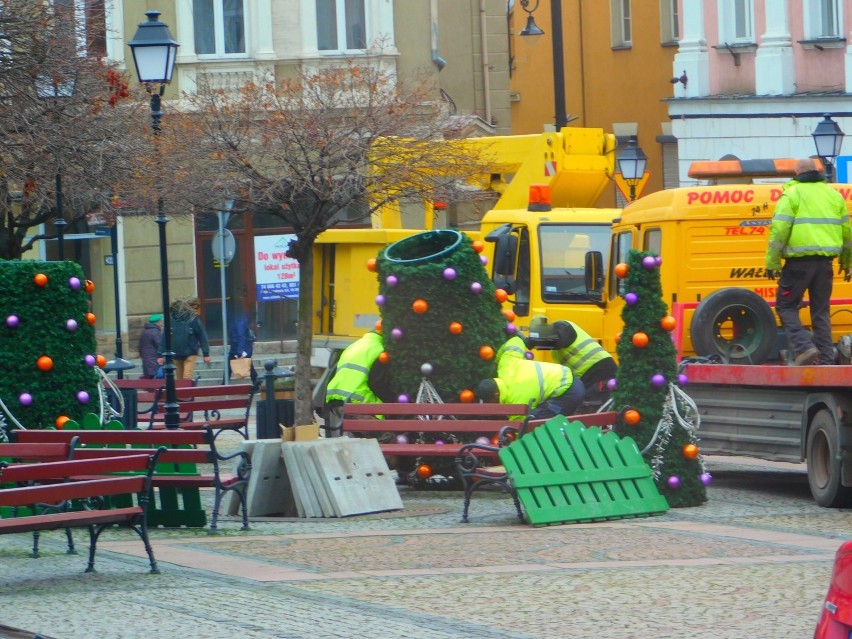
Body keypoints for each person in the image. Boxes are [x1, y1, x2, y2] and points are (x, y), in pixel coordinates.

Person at [766, 158, 852, 366]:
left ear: (797, 173)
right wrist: (847, 262)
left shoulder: (792, 194)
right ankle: (826, 359)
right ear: (817, 172)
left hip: (799, 264)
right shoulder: (833, 195)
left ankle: (804, 348)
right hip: (825, 264)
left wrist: (773, 261)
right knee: (820, 311)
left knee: (786, 305)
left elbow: (780, 230)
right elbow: (847, 232)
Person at [476, 350, 585, 421]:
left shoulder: (516, 402)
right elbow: (514, 344)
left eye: (490, 401)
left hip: (569, 393)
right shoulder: (505, 365)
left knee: (535, 419)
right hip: (569, 378)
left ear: (496, 395)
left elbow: (521, 430)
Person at [325, 331, 386, 432]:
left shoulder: (354, 346)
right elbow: (377, 383)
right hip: (356, 402)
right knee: (386, 438)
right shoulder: (379, 350)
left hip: (336, 399)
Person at [550, 320, 617, 409]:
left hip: (597, 369)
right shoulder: (554, 351)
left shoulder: (562, 327)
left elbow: (560, 339)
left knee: (593, 408)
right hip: (590, 374)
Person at [169, 297, 211, 381]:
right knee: (180, 380)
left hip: (190, 353)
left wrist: (206, 353)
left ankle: (186, 393)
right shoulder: (173, 320)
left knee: (186, 378)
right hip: (177, 355)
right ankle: (183, 394)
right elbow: (166, 337)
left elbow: (202, 336)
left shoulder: (193, 320)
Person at [227, 312, 258, 386]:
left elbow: (241, 337)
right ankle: (257, 383)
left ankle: (223, 385)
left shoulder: (239, 324)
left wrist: (239, 352)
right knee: (249, 366)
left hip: (239, 350)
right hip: (240, 349)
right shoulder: (241, 323)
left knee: (229, 366)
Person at [138, 313, 164, 379]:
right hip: (154, 360)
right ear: (158, 322)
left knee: (149, 378)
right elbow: (160, 345)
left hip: (146, 360)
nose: (162, 323)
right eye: (161, 321)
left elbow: (140, 347)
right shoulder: (155, 332)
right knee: (157, 378)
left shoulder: (145, 331)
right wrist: (161, 356)